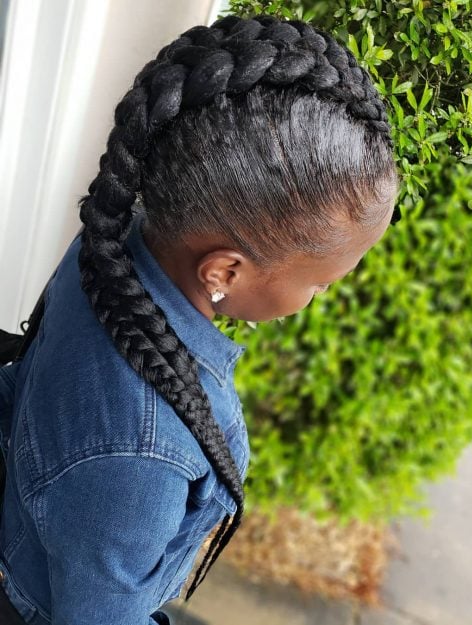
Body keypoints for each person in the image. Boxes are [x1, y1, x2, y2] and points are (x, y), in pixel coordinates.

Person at [0, 13, 400, 625]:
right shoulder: (143, 455)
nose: (321, 296)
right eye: (319, 284)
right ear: (224, 272)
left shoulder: (107, 247)